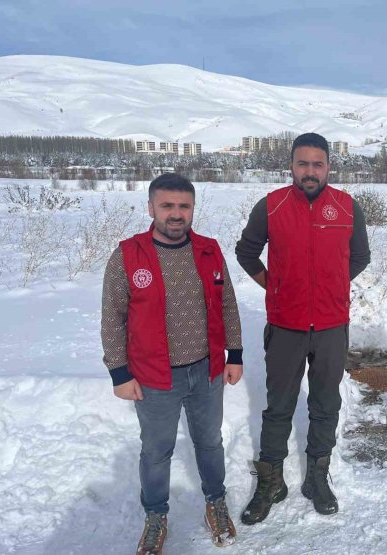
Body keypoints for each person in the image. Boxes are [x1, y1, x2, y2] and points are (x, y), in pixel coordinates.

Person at [101, 173, 243, 554]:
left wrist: (235, 354)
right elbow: (113, 316)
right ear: (151, 208)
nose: (176, 214)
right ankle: (155, 516)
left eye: (184, 206)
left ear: (193, 208)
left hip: (208, 370)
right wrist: (119, 371)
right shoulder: (129, 255)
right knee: (157, 449)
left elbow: (227, 304)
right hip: (154, 376)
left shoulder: (210, 250)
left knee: (210, 443)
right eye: (167, 206)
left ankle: (215, 502)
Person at [235, 132, 370, 522]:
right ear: (291, 165)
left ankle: (316, 478)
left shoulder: (346, 206)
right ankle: (272, 481)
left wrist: (330, 283)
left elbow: (360, 256)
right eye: (302, 163)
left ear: (328, 166)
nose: (310, 171)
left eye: (318, 164)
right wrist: (272, 283)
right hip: (286, 325)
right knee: (278, 407)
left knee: (326, 403)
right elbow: (246, 251)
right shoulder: (272, 205)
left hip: (330, 326)